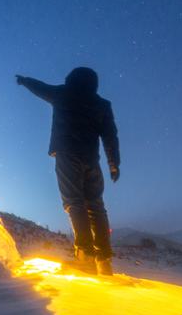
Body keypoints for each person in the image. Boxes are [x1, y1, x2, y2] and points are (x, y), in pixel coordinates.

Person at [16, 67, 120, 276]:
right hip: (91, 160)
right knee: (96, 207)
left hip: (67, 154)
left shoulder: (63, 93)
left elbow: (40, 88)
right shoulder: (102, 105)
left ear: (72, 79)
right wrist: (113, 163)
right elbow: (110, 136)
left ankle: (85, 256)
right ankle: (104, 260)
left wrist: (25, 80)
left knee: (74, 202)